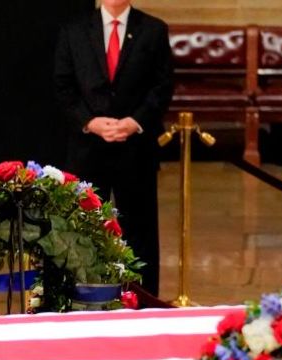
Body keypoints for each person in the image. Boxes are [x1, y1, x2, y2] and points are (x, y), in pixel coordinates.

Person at [54, 0, 171, 296]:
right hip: (88, 148)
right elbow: (63, 86)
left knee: (140, 231)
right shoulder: (74, 30)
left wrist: (135, 121)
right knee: (83, 228)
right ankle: (82, 297)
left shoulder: (153, 30)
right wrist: (89, 122)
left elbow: (162, 85)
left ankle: (142, 300)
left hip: (135, 147)